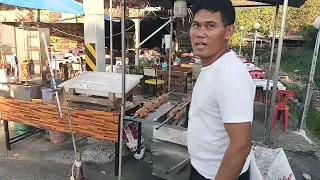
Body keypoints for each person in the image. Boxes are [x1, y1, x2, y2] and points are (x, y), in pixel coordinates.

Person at [187, 0, 255, 180]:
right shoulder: (214, 66)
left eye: (210, 26)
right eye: (196, 25)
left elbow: (241, 145)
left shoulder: (230, 74)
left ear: (229, 32)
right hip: (203, 168)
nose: (200, 34)